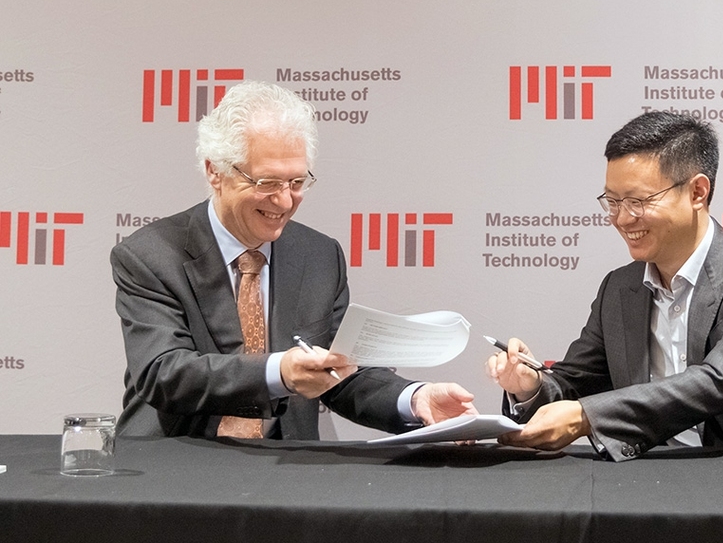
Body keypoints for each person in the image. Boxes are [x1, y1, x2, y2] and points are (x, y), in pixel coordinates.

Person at [112, 80, 476, 439]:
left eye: (297, 182)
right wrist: (279, 372)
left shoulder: (318, 256)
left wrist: (413, 398)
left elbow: (340, 371)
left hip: (282, 472)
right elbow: (164, 372)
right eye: (267, 183)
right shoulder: (151, 255)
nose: (285, 202)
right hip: (174, 467)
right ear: (214, 171)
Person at [486, 111, 723, 461]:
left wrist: (586, 417)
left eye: (638, 201)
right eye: (613, 202)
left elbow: (721, 380)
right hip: (657, 477)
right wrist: (530, 386)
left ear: (697, 191)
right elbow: (576, 383)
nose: (622, 218)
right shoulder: (620, 287)